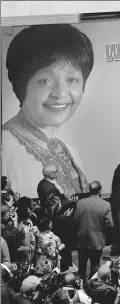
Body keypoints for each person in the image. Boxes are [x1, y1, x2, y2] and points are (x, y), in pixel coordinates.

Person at [2, 24, 93, 198]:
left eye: (72, 79)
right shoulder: (5, 150)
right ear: (22, 85)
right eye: (45, 81)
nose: (60, 93)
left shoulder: (68, 151)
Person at [74, 181, 113, 281]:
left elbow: (75, 220)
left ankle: (81, 284)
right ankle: (93, 284)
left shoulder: (80, 203)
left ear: (89, 190)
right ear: (100, 190)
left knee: (82, 263)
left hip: (82, 238)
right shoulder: (106, 205)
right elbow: (110, 224)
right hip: (97, 240)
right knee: (95, 264)